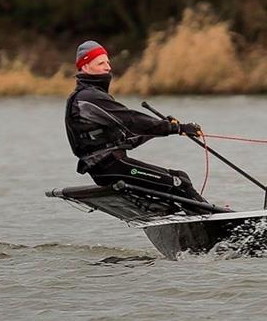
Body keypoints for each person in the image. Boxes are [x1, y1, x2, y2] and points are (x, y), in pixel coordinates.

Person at [65, 40, 208, 204]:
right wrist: (174, 127)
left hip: (111, 166)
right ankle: (215, 223)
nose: (108, 67)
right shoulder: (88, 98)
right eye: (101, 63)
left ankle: (196, 219)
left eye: (108, 62)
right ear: (85, 67)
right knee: (179, 183)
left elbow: (128, 136)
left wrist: (164, 127)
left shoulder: (91, 96)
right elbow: (131, 119)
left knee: (180, 177)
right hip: (110, 167)